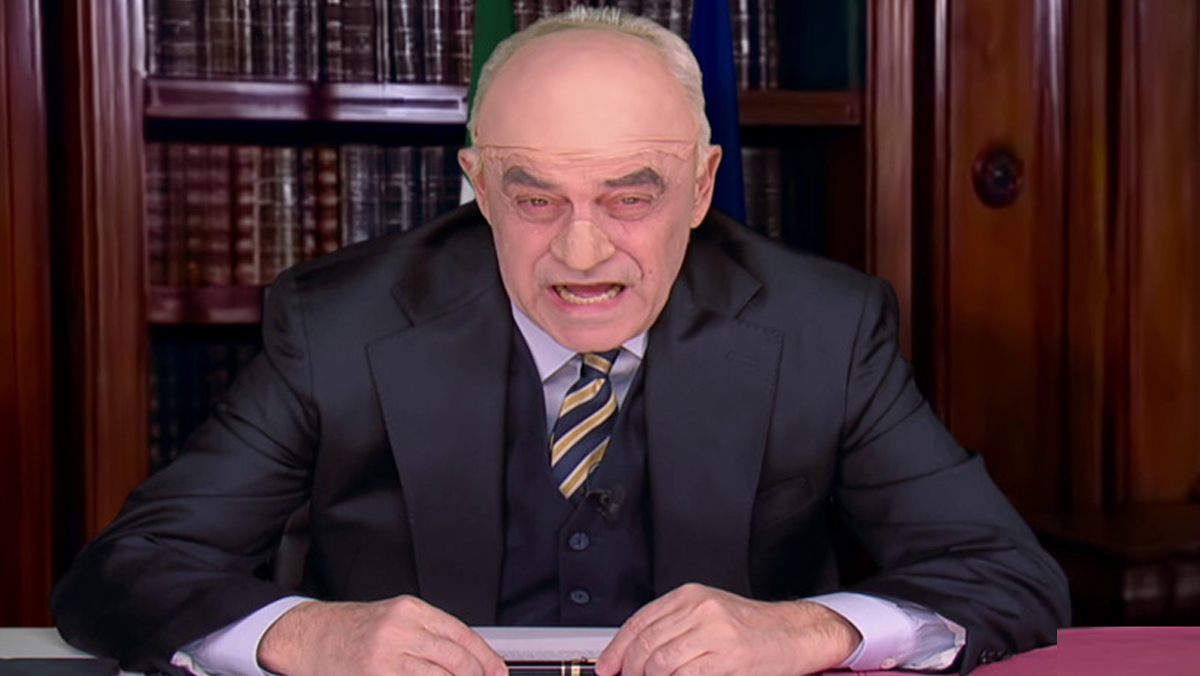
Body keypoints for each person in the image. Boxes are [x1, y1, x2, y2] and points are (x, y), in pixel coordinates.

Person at [51, 8, 1069, 676]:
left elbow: (1007, 573)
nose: (583, 252)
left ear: (703, 186)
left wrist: (813, 626)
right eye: (536, 198)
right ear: (479, 186)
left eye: (632, 197)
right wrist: (302, 631)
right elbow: (125, 571)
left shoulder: (824, 326)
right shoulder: (339, 324)